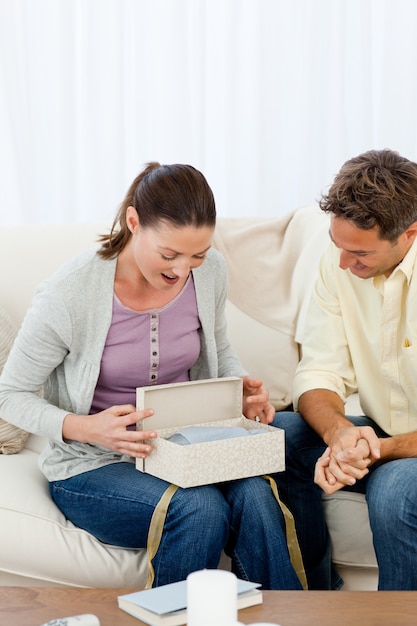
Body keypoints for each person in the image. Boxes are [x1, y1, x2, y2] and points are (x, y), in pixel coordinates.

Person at [0, 161, 303, 590]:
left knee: (256, 496)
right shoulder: (70, 294)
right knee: (198, 509)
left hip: (185, 451)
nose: (182, 270)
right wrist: (86, 428)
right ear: (133, 222)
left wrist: (239, 388)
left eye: (196, 254)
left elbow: (220, 348)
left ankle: (285, 619)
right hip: (92, 467)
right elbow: (9, 394)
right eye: (169, 254)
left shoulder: (210, 272)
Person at [273, 148, 417, 591]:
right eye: (339, 246)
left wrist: (379, 450)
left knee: (394, 491)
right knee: (276, 440)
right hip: (381, 430)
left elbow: (387, 452)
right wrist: (338, 434)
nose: (342, 263)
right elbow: (318, 373)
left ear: (409, 233)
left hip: (402, 448)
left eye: (359, 253)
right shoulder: (338, 265)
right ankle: (316, 602)